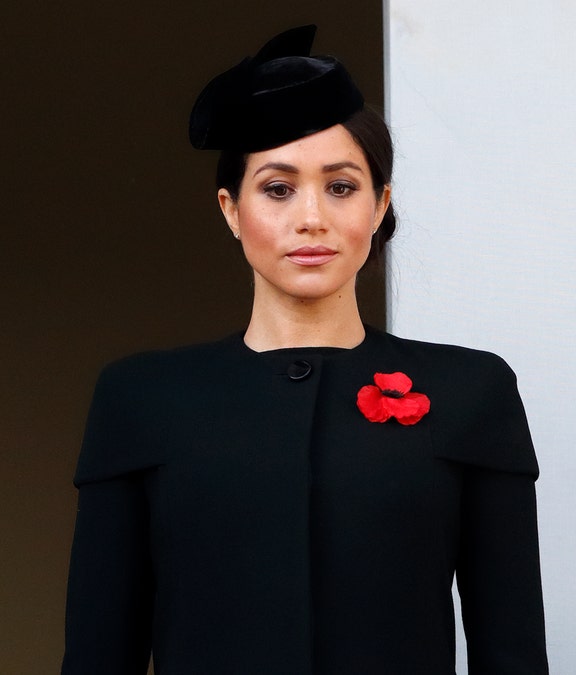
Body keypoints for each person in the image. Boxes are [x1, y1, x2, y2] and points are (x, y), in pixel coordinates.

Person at [61, 26, 547, 674]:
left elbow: (512, 654)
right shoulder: (140, 398)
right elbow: (98, 656)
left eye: (341, 186)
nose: (310, 217)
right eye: (278, 188)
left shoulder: (472, 391)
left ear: (380, 205)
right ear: (231, 209)